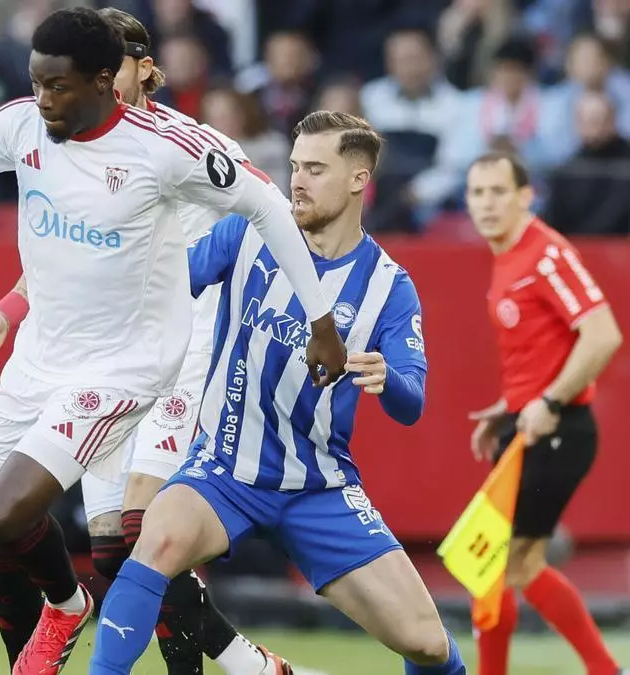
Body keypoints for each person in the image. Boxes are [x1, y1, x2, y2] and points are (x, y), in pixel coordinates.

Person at [0, 9, 347, 674]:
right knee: (4, 529)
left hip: (128, 365)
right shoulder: (23, 124)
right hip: (42, 353)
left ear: (108, 79)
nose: (44, 99)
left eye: (58, 86)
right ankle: (65, 625)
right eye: (37, 83)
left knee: (93, 528)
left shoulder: (169, 147)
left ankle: (80, 609)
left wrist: (321, 322)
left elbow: (268, 205)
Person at [0, 8, 293, 675]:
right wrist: (9, 309)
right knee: (108, 550)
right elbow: (65, 260)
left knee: (146, 534)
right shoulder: (72, 145)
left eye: (116, 65)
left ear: (145, 70)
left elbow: (272, 217)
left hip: (181, 357)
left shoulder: (187, 145)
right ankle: (248, 664)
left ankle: (229, 665)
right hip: (101, 360)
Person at [89, 111, 466, 675]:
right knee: (154, 544)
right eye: (294, 166)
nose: (297, 181)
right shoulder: (246, 232)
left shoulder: (388, 286)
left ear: (359, 179)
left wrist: (388, 379)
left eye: (315, 169)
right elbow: (164, 287)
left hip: (318, 487)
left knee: (428, 644)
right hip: (224, 470)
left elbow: (412, 402)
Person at [465, 151, 623, 675]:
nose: (487, 204)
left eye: (498, 192)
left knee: (497, 565)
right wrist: (509, 406)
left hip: (557, 430)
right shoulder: (510, 255)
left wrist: (550, 401)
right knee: (498, 567)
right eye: (477, 193)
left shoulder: (546, 254)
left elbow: (603, 335)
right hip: (528, 425)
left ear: (525, 196)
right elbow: (541, 351)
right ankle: (604, 669)